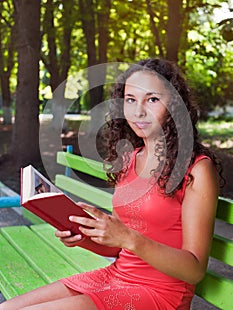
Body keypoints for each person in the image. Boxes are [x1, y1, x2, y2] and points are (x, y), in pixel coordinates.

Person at [1, 58, 223, 310]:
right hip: (116, 277)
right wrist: (83, 237)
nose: (138, 111)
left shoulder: (196, 169)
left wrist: (130, 238)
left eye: (152, 99)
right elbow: (118, 247)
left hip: (160, 294)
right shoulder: (128, 159)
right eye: (130, 99)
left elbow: (194, 271)